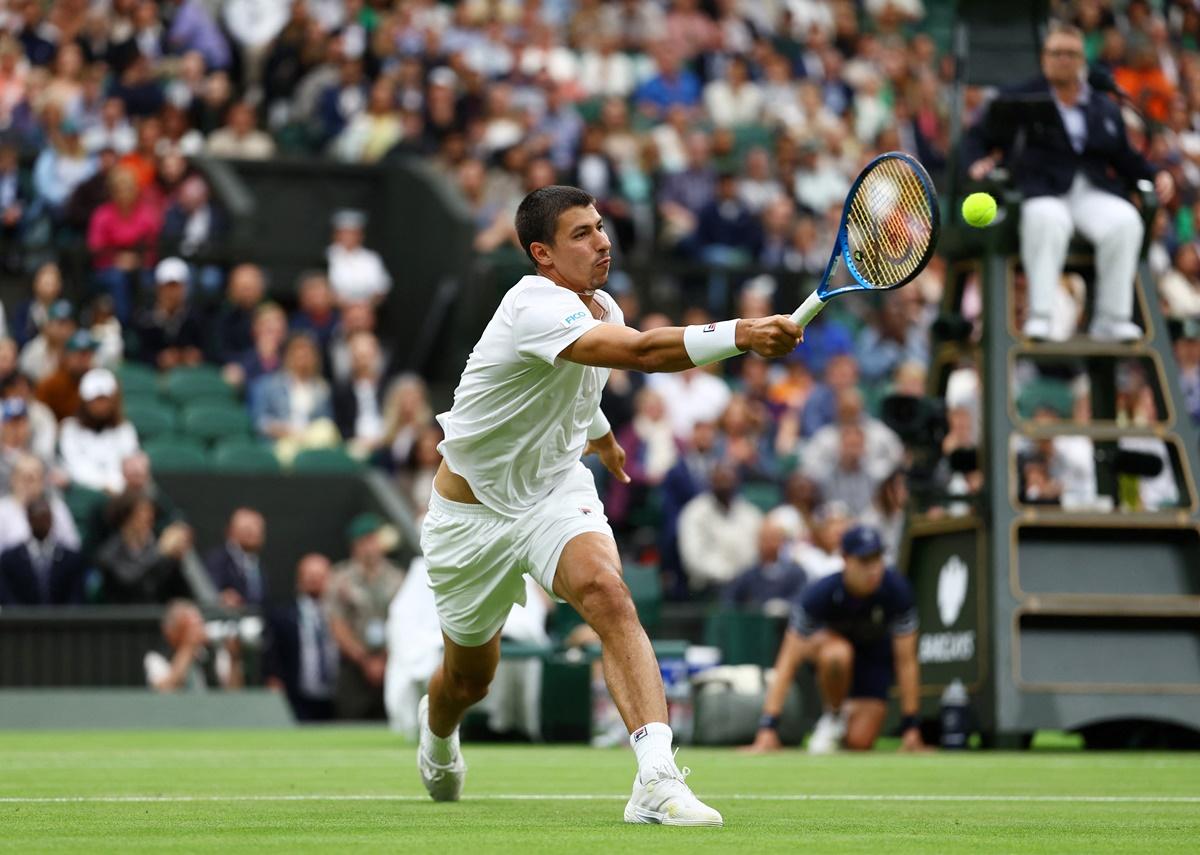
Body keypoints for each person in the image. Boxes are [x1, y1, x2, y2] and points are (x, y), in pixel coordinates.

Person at [418, 184, 800, 824]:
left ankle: (656, 778)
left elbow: (574, 383)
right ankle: (437, 740)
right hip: (471, 519)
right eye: (581, 234)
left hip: (552, 491)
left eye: (600, 227)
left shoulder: (601, 306)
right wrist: (742, 333)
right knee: (467, 681)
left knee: (606, 592)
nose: (602, 241)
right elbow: (642, 352)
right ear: (541, 253)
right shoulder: (532, 306)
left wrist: (603, 438)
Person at [966, 22, 1175, 342]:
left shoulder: (1103, 105)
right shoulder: (1018, 98)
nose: (1062, 59)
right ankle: (1042, 315)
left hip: (1090, 191)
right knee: (1048, 219)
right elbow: (976, 137)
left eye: (1070, 53)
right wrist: (976, 162)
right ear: (1044, 58)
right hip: (1039, 190)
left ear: (1082, 60)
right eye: (1055, 53)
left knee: (1125, 221)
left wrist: (1154, 174)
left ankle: (1112, 318)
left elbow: (1124, 156)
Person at [746, 525, 926, 755]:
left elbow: (907, 661)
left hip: (874, 663)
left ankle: (844, 721)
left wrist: (911, 727)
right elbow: (788, 660)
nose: (873, 569)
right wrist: (767, 727)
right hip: (830, 660)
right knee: (838, 654)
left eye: (877, 559)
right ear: (846, 560)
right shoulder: (820, 594)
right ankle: (833, 715)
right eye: (864, 561)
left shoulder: (898, 591)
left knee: (860, 743)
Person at [327, 512, 405, 719]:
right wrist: (365, 660)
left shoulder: (397, 577)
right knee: (351, 719)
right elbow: (337, 624)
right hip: (354, 666)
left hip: (391, 661)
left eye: (373, 539)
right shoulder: (340, 578)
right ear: (355, 544)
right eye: (364, 541)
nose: (370, 547)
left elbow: (404, 622)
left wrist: (385, 657)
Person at [264, 553, 339, 721]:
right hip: (297, 696)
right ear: (299, 579)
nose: (314, 580)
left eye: (319, 575)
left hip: (338, 697)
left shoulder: (343, 614)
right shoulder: (282, 616)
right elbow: (272, 653)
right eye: (309, 575)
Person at [95, 491, 193, 604]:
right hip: (123, 617)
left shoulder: (160, 549)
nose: (149, 517)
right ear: (126, 516)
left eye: (150, 511)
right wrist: (160, 552)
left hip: (158, 615)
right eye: (142, 511)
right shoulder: (108, 553)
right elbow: (128, 584)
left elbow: (182, 592)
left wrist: (177, 559)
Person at [58, 368, 140, 494]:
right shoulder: (70, 428)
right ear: (85, 401)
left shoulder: (125, 429)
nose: (101, 405)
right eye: (96, 400)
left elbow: (129, 464)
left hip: (120, 493)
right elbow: (76, 467)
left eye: (104, 399)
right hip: (84, 492)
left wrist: (115, 484)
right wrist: (104, 485)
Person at [0, 496, 86, 605]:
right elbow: (7, 597)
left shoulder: (71, 559)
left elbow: (76, 597)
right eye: (37, 517)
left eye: (45, 517)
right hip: (21, 620)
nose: (42, 523)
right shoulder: (10, 559)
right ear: (29, 519)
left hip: (62, 620)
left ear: (51, 520)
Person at [144, 599, 244, 692]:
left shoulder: (214, 653)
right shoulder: (156, 657)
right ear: (172, 632)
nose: (198, 630)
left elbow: (233, 692)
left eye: (199, 624)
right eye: (190, 627)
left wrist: (234, 658)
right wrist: (188, 647)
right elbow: (164, 690)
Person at [720, 518, 807, 613]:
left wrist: (785, 606)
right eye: (764, 539)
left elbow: (802, 598)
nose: (768, 544)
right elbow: (729, 599)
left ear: (782, 542)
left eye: (773, 538)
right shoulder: (749, 574)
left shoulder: (795, 573)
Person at [132, 257, 205, 369]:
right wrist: (158, 359)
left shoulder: (197, 318)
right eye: (167, 287)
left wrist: (193, 355)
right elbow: (136, 353)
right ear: (158, 288)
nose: (171, 293)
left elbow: (209, 350)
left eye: (176, 287)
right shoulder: (143, 319)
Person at [203, 507, 268, 609]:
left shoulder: (256, 563)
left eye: (259, 528)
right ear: (231, 531)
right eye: (247, 529)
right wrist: (221, 597)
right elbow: (209, 592)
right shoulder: (218, 560)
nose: (254, 532)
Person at [326, 209, 391, 306]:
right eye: (344, 233)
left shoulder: (372, 259)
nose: (348, 237)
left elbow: (381, 290)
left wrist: (363, 307)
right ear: (336, 235)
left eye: (353, 233)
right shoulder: (326, 256)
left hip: (366, 311)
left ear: (361, 235)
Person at [35, 329, 97, 421]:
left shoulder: (98, 382)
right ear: (67, 356)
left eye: (88, 354)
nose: (85, 360)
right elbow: (41, 418)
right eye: (81, 354)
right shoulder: (50, 385)